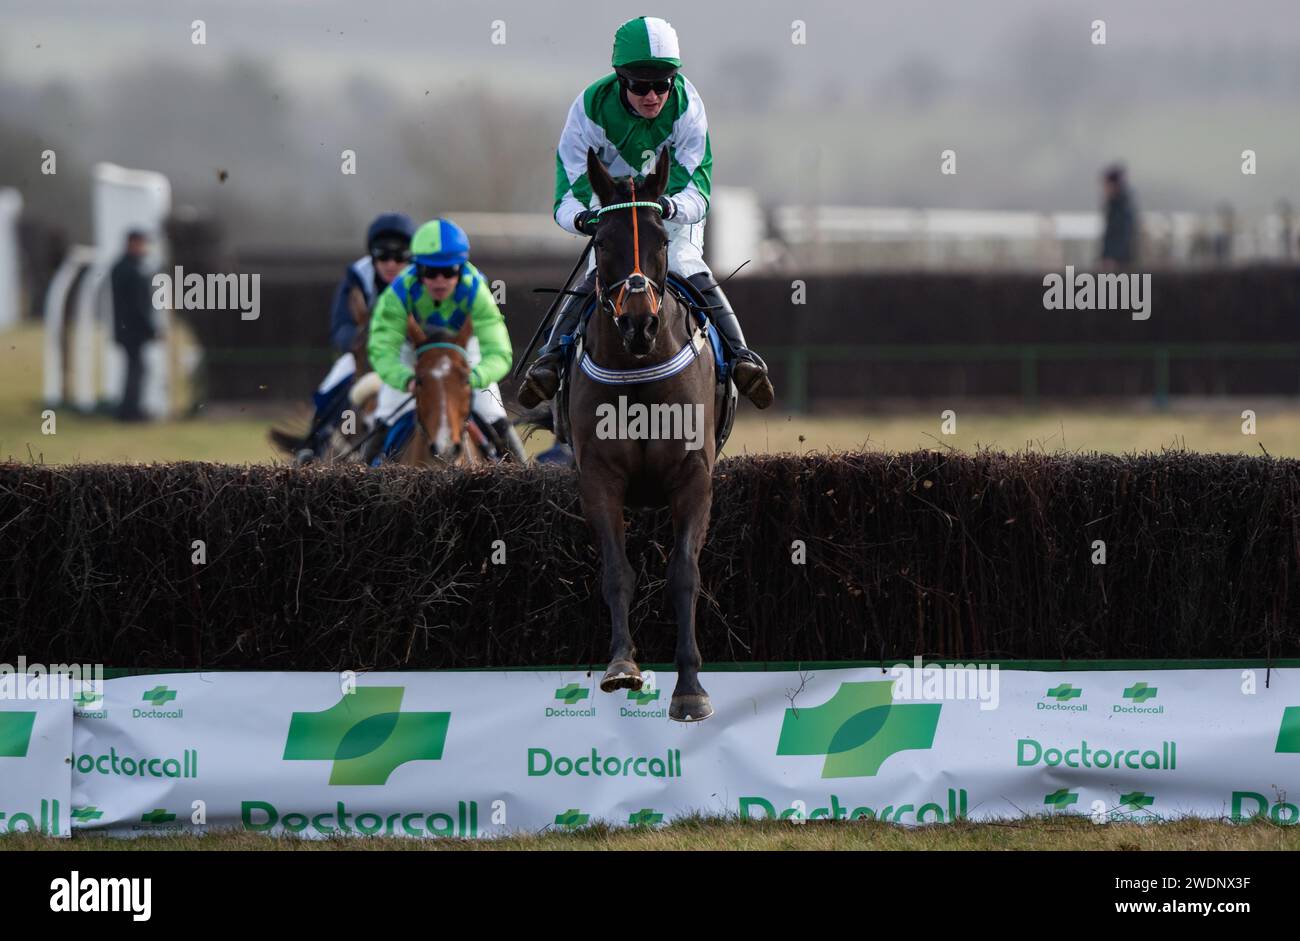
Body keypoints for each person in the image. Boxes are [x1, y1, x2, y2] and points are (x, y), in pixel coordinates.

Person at [518, 15, 774, 412]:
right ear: (621, 78)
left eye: (662, 84)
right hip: (615, 219)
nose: (653, 96)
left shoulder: (688, 106)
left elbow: (698, 192)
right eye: (641, 85)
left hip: (668, 217)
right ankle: (550, 361)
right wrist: (587, 219)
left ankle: (742, 358)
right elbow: (566, 198)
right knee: (597, 272)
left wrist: (667, 207)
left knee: (686, 261)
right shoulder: (589, 108)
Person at [366, 217, 525, 463]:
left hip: (464, 356)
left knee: (494, 415)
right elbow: (382, 348)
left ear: (461, 268)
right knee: (386, 415)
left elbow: (499, 352)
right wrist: (405, 379)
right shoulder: (398, 292)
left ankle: (524, 483)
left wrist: (471, 378)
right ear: (417, 268)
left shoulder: (477, 291)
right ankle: (367, 482)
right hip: (412, 356)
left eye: (449, 271)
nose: (440, 280)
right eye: (431, 272)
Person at [299, 212, 415, 459]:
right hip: (365, 352)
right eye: (383, 255)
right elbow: (341, 326)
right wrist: (363, 342)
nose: (391, 264)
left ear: (411, 257)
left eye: (399, 256)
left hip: (410, 353)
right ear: (372, 256)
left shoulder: (425, 279)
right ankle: (313, 447)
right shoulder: (357, 276)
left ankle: (495, 454)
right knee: (332, 384)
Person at [109, 230, 157, 421]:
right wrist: (150, 329)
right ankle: (130, 411)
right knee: (136, 371)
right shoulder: (130, 269)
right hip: (133, 331)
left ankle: (130, 409)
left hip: (127, 330)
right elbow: (137, 306)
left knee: (135, 370)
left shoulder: (123, 267)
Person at [1099, 164, 1137, 268]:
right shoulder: (1116, 205)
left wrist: (1112, 257)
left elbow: (1123, 235)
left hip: (1118, 262)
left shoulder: (1121, 208)